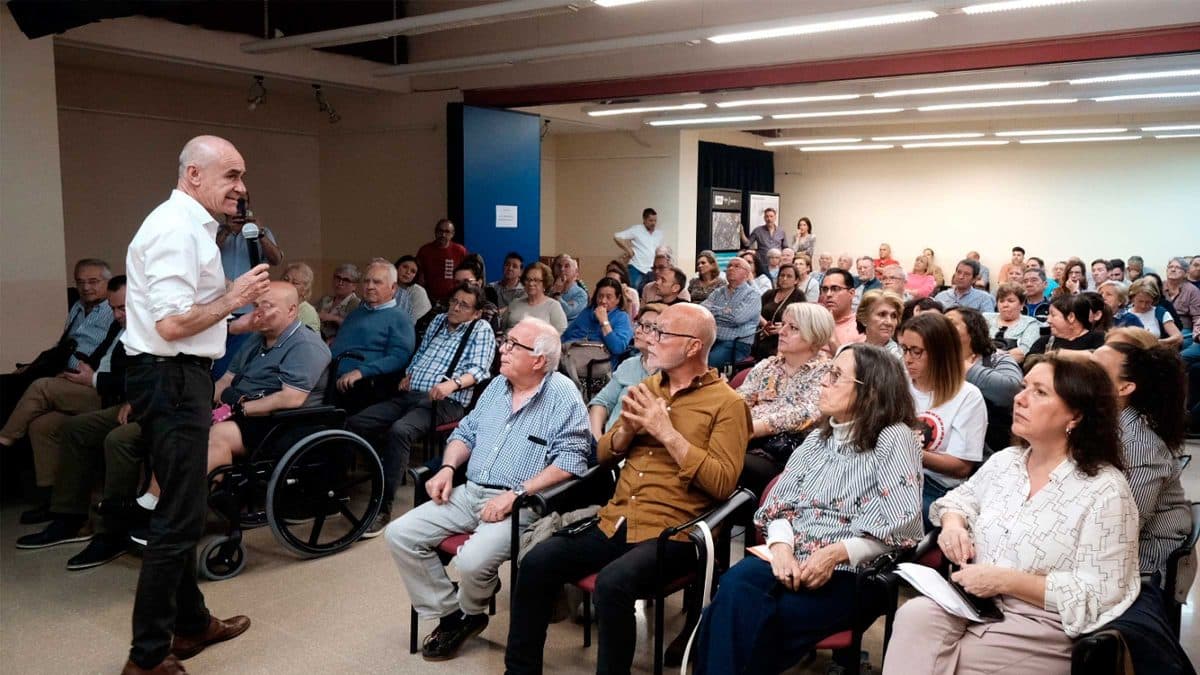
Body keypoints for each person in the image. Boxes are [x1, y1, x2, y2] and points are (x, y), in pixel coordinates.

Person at [505, 303, 751, 675]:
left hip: (677, 532)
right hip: (618, 518)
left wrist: (666, 432)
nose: (651, 340)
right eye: (653, 330)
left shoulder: (728, 404)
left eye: (663, 333)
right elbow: (601, 454)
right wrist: (628, 432)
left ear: (692, 346)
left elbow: (722, 483)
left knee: (612, 584)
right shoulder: (648, 387)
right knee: (539, 560)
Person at [884, 354, 1140, 675]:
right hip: (976, 602)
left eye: (1040, 392)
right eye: (1024, 387)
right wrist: (953, 525)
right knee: (914, 617)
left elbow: (1100, 592)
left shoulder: (1105, 490)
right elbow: (960, 499)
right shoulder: (1007, 462)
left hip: (1042, 620)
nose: (1019, 399)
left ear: (1075, 415)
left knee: (951, 658)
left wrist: (1006, 580)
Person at [119, 135, 269, 674]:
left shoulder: (191, 227)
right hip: (173, 380)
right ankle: (147, 659)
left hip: (177, 375)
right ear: (194, 175)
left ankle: (191, 624)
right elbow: (171, 324)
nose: (241, 187)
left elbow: (189, 318)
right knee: (178, 521)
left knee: (177, 507)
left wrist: (237, 315)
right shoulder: (174, 229)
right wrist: (233, 297)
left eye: (242, 174)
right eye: (230, 175)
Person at [695, 343, 922, 675]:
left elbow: (903, 523)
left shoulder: (892, 437)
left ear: (870, 393)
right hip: (793, 556)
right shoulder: (818, 438)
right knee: (733, 588)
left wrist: (835, 554)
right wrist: (782, 548)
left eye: (835, 376)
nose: (823, 382)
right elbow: (780, 504)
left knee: (758, 619)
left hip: (858, 571)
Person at [387, 317, 591, 662]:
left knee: (471, 561)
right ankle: (457, 615)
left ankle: (472, 605)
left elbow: (572, 460)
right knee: (400, 534)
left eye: (513, 345)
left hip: (521, 503)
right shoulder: (497, 386)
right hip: (471, 491)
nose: (503, 349)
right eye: (505, 341)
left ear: (539, 360)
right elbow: (464, 434)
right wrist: (448, 469)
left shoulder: (562, 395)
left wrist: (515, 495)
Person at [346, 283, 497, 535]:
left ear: (476, 312)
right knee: (356, 422)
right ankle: (343, 488)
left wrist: (453, 384)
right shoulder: (438, 321)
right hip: (412, 393)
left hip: (446, 402)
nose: (456, 308)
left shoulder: (480, 329)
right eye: (454, 301)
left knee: (400, 431)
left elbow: (480, 370)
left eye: (464, 305)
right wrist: (409, 373)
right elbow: (421, 352)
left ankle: (383, 508)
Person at [1091, 339, 1196, 675]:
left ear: (1125, 387)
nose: (1083, 370)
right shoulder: (1100, 422)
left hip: (1143, 556)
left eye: (1095, 368)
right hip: (1106, 538)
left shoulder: (1136, 444)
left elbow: (1120, 529)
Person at [1, 276, 127, 525]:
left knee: (41, 387)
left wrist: (91, 380)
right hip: (93, 384)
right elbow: (97, 355)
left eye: (123, 308)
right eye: (113, 309)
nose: (117, 314)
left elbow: (132, 381)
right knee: (43, 425)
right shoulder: (117, 325)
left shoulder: (146, 332)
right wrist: (80, 374)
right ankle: (55, 501)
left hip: (111, 396)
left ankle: (4, 440)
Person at [735, 303, 834, 498]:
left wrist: (752, 428)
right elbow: (739, 401)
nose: (783, 331)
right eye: (784, 324)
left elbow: (807, 414)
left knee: (729, 463)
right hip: (744, 439)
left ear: (815, 336)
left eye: (794, 328)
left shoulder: (827, 373)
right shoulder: (766, 366)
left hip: (787, 456)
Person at [1, 258, 116, 425]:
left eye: (93, 282)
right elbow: (63, 344)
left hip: (85, 377)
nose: (85, 288)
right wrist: (34, 365)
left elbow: (112, 351)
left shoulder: (114, 310)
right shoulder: (77, 306)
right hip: (59, 368)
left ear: (108, 282)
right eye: (80, 282)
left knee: (22, 390)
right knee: (7, 382)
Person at [898, 312, 987, 527]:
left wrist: (905, 449)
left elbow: (961, 467)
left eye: (916, 352)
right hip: (898, 474)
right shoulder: (900, 383)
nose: (908, 359)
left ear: (940, 354)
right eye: (904, 350)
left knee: (891, 513)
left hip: (936, 486)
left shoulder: (968, 396)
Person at [329, 259, 416, 411]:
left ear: (393, 287)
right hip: (331, 375)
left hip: (364, 384)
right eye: (366, 281)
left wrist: (361, 372)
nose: (370, 287)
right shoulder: (356, 314)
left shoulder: (399, 318)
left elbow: (399, 357)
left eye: (377, 282)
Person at [947, 307, 1023, 455]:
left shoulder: (996, 358)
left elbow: (1011, 390)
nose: (943, 328)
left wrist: (959, 365)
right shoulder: (930, 359)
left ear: (972, 330)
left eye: (950, 323)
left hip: (988, 445)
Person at [587, 304, 665, 439]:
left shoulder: (671, 373)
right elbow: (601, 403)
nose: (638, 331)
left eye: (647, 327)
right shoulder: (629, 364)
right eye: (639, 324)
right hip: (608, 445)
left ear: (663, 335)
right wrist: (598, 441)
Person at [561, 277, 636, 376]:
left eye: (608, 297)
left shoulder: (621, 317)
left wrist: (604, 322)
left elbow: (618, 348)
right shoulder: (587, 312)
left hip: (599, 368)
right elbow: (566, 336)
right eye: (600, 296)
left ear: (618, 299)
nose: (603, 301)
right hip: (573, 358)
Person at [702, 256, 761, 368]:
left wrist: (715, 311)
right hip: (712, 339)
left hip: (736, 344)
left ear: (746, 274)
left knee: (706, 363)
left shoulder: (753, 295)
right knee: (687, 357)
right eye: (729, 266)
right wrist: (725, 311)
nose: (731, 269)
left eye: (736, 266)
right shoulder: (718, 292)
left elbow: (737, 318)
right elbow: (703, 312)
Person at [753, 263, 805, 360]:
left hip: (783, 338)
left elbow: (802, 320)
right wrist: (764, 323)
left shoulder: (799, 296)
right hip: (763, 335)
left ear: (796, 280)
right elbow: (754, 310)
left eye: (789, 276)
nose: (784, 278)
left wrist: (784, 328)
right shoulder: (769, 293)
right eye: (782, 275)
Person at [985, 282, 1042, 362]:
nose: (1005, 305)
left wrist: (992, 358)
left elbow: (1022, 353)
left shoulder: (1030, 323)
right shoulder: (985, 318)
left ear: (1022, 305)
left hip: (1012, 368)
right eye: (1001, 301)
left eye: (1010, 301)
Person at [504, 262, 567, 334]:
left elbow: (561, 334)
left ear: (545, 284)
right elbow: (502, 328)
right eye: (528, 279)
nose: (531, 283)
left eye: (536, 280)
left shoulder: (553, 306)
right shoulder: (514, 303)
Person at [1032, 293, 1106, 353]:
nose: (1048, 320)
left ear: (1071, 317)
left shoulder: (1098, 339)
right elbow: (1029, 362)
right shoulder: (1045, 341)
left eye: (1053, 315)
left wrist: (1057, 355)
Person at [415, 218, 468, 302]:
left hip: (454, 299)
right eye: (440, 231)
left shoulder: (460, 251)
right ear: (435, 232)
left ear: (452, 234)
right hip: (429, 299)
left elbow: (466, 276)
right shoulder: (425, 250)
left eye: (447, 232)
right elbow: (419, 277)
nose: (443, 235)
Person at [613, 207, 663, 289]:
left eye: (655, 220)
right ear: (644, 219)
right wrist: (628, 250)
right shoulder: (636, 230)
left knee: (650, 292)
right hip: (636, 267)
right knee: (633, 289)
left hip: (651, 269)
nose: (653, 223)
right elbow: (617, 237)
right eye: (651, 220)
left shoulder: (658, 234)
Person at [1128, 277, 1183, 348]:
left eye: (1148, 302)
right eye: (1140, 301)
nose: (1143, 306)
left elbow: (1178, 338)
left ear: (1153, 299)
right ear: (1132, 298)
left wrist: (1157, 342)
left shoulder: (1160, 312)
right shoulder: (1125, 313)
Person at [818, 268, 862, 351]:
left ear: (851, 293)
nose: (828, 294)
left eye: (835, 289)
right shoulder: (815, 320)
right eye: (825, 289)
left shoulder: (861, 327)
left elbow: (851, 363)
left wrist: (832, 339)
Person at [316, 263, 361, 342]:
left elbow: (355, 328)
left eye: (346, 280)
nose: (340, 283)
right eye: (338, 278)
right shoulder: (325, 300)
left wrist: (335, 319)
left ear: (354, 286)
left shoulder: (357, 303)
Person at [857, 289, 903, 358]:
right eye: (882, 314)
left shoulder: (901, 358)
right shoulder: (852, 353)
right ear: (864, 319)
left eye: (894, 316)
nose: (889, 322)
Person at [743, 207, 788, 272]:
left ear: (775, 217)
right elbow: (747, 243)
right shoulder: (758, 230)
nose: (769, 219)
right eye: (767, 216)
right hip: (763, 263)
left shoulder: (781, 231)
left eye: (771, 216)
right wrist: (741, 232)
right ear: (764, 218)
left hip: (777, 265)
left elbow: (785, 247)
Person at [1163, 257, 1200, 336]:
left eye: (1178, 268)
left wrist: (1197, 334)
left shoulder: (1192, 290)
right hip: (1161, 326)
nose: (1173, 269)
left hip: (1183, 330)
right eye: (1170, 267)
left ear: (1186, 273)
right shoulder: (1159, 286)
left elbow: (1197, 317)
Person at [279, 262, 320, 333]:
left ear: (305, 290)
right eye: (286, 279)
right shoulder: (278, 305)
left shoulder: (308, 312)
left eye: (295, 283)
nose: (288, 284)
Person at [394, 255, 432, 324]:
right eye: (405, 267)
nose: (408, 272)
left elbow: (410, 321)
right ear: (397, 267)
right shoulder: (386, 285)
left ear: (416, 276)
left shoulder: (418, 292)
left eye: (413, 271)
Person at [550, 255, 588, 323]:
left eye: (567, 266)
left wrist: (556, 294)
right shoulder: (548, 291)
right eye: (559, 266)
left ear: (576, 272)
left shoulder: (581, 294)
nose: (562, 269)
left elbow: (566, 312)